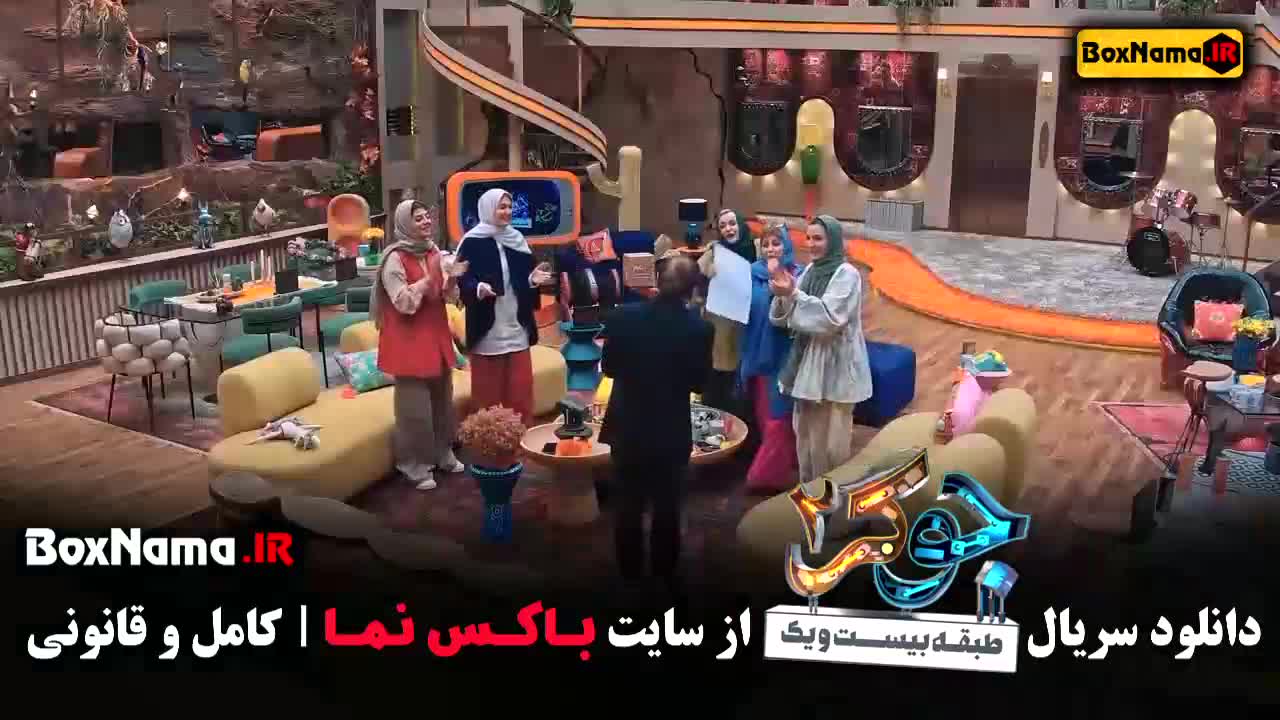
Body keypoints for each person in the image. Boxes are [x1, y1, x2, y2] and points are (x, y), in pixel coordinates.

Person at [599, 255, 712, 589]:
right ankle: (664, 575)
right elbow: (698, 383)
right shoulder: (700, 329)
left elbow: (609, 369)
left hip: (627, 427)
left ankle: (629, 573)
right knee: (667, 507)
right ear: (692, 291)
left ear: (658, 281)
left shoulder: (622, 317)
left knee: (628, 505)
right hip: (670, 432)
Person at [370, 200, 467, 490]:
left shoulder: (434, 251)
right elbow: (403, 302)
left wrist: (452, 279)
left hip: (436, 336)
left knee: (443, 402)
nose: (426, 222)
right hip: (408, 342)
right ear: (404, 224)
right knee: (414, 410)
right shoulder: (394, 258)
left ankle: (443, 453)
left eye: (427, 217)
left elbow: (447, 297)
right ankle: (414, 465)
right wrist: (428, 279)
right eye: (418, 218)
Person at [769, 215, 873, 484]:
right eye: (808, 237)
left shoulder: (847, 274)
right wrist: (782, 295)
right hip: (806, 362)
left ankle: (832, 496)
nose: (811, 244)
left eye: (818, 238)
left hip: (835, 366)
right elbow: (785, 316)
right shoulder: (809, 271)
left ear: (833, 241)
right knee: (805, 436)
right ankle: (809, 492)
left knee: (830, 444)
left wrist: (792, 294)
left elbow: (829, 318)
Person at [455, 188, 555, 425]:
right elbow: (461, 278)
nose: (507, 211)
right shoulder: (471, 241)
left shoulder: (517, 240)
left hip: (516, 325)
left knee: (520, 392)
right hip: (487, 327)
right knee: (488, 395)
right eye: (502, 207)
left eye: (510, 207)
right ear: (488, 209)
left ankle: (520, 439)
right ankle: (488, 441)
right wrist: (478, 288)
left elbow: (523, 278)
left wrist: (532, 280)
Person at [740, 220, 803, 493]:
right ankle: (782, 468)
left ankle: (764, 477)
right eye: (765, 244)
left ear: (786, 245)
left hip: (787, 355)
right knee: (766, 417)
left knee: (780, 417)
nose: (770, 249)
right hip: (757, 355)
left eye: (776, 243)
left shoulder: (799, 275)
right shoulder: (751, 273)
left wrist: (780, 282)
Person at [696, 208, 756, 414]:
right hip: (720, 323)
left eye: (732, 223)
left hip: (749, 321)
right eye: (723, 226)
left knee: (744, 376)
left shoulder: (756, 249)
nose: (728, 229)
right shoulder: (714, 252)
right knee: (720, 374)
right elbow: (696, 280)